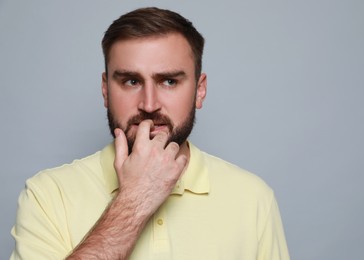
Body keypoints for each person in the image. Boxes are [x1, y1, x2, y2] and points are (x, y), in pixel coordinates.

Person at [11, 7, 290, 260]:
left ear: (199, 90)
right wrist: (135, 199)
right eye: (131, 81)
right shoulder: (47, 195)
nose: (148, 104)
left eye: (169, 81)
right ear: (106, 90)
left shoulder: (253, 198)